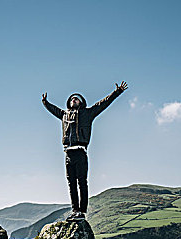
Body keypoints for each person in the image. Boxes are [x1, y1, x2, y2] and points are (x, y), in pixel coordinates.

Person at [42, 81, 128, 220]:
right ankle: (75, 210)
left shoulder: (87, 114)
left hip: (81, 151)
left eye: (76, 99)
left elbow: (103, 103)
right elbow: (54, 109)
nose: (73, 100)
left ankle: (82, 212)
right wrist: (45, 102)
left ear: (81, 102)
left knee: (82, 182)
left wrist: (116, 92)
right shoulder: (64, 115)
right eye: (71, 99)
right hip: (68, 153)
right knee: (71, 184)